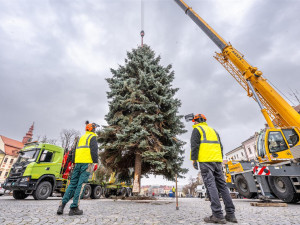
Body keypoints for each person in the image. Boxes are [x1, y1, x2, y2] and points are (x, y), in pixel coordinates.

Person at [190, 114, 237, 224]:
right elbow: (220, 146)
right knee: (223, 186)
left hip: (206, 161)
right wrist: (219, 159)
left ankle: (217, 215)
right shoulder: (213, 130)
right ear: (205, 120)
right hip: (217, 161)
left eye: (194, 122)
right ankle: (231, 214)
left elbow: (194, 146)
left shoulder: (197, 130)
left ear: (196, 121)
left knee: (211, 185)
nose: (194, 123)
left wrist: (194, 160)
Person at [57, 121, 99, 216]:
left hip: (77, 164)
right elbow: (94, 151)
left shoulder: (81, 138)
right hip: (86, 164)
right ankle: (74, 207)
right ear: (93, 129)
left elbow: (74, 151)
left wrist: (73, 162)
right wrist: (95, 162)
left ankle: (61, 206)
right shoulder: (92, 137)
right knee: (81, 185)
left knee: (72, 185)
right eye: (95, 128)